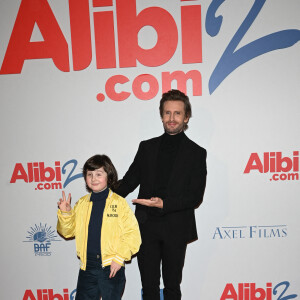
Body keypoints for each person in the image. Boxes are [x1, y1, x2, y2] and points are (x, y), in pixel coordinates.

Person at [115, 89, 207, 300]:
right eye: (167, 113)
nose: (171, 118)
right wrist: (103, 197)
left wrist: (164, 203)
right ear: (161, 116)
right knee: (149, 288)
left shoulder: (196, 153)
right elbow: (129, 181)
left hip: (176, 226)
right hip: (146, 226)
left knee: (172, 287)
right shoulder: (146, 147)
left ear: (186, 117)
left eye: (177, 113)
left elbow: (195, 196)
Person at [57, 154, 141, 300]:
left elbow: (133, 234)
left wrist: (119, 258)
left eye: (98, 174)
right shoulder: (81, 203)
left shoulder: (119, 203)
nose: (93, 178)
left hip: (111, 267)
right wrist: (66, 213)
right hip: (87, 267)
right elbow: (67, 232)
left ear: (108, 176)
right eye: (89, 174)